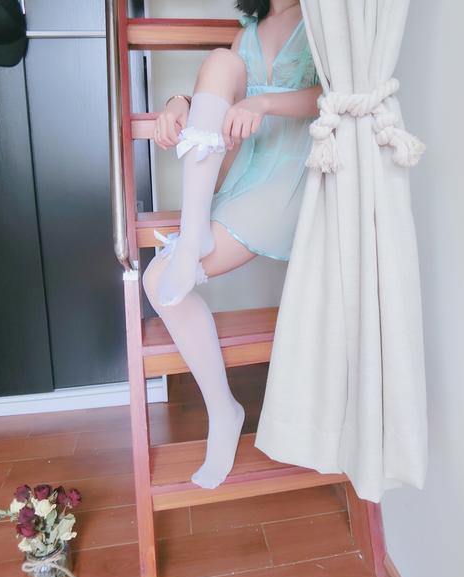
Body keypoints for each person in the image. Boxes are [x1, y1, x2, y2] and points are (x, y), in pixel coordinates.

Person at [142, 0, 321, 490]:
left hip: (289, 175)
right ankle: (224, 409)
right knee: (157, 281)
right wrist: (179, 102)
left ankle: (193, 234)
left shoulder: (319, 17)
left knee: (163, 280)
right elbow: (219, 94)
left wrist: (264, 104)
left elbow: (333, 94)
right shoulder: (249, 29)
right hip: (242, 172)